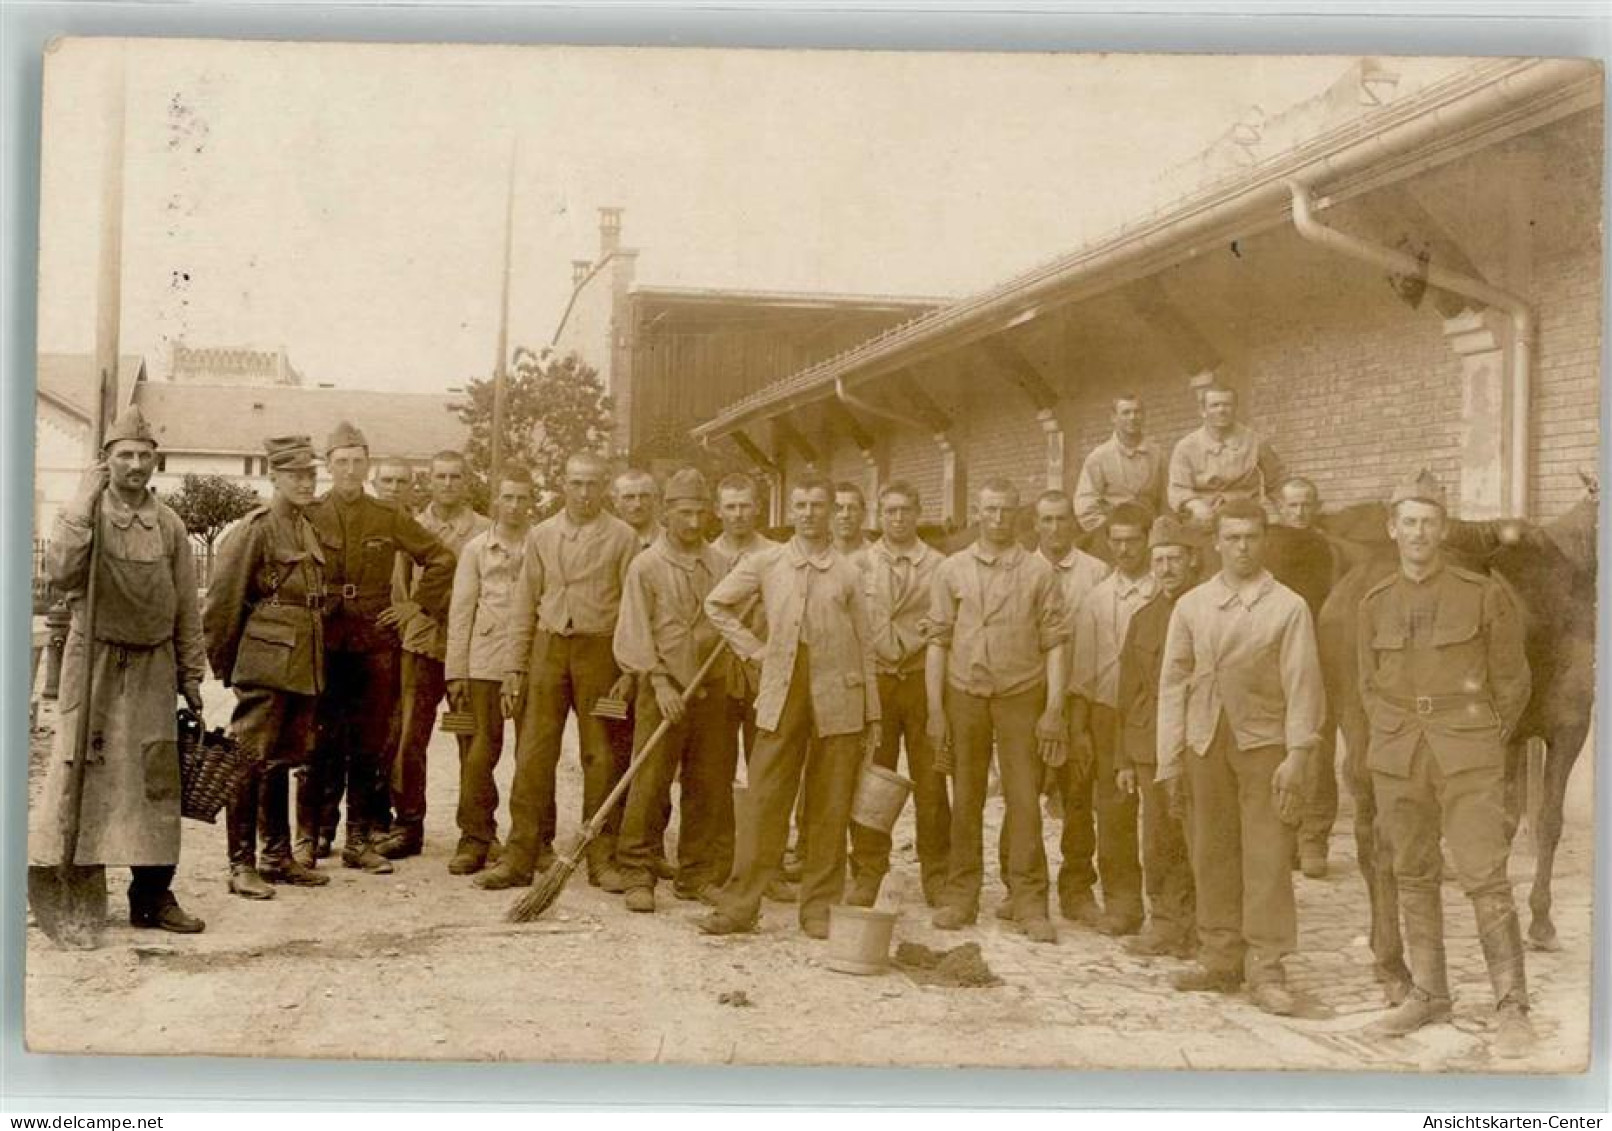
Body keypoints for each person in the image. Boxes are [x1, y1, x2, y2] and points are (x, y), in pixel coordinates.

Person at [1359, 470, 1534, 1059]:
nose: (1419, 533)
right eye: (1408, 522)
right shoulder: (1375, 603)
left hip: (1467, 753)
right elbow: (1369, 685)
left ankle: (1512, 1004)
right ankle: (1430, 991)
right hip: (1399, 751)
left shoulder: (1481, 594)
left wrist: (1480, 740)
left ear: (1443, 529)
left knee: (1484, 874)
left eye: (1430, 523)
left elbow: (1513, 684)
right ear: (1392, 529)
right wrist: (1392, 737)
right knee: (1411, 870)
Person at [29, 406, 207, 933]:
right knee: (84, 769)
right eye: (124, 455)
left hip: (153, 665)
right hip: (95, 662)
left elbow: (185, 608)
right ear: (106, 461)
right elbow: (61, 570)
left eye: (143, 456)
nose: (135, 464)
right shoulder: (88, 515)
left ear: (155, 462)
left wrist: (191, 674)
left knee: (154, 782)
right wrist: (83, 499)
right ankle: (77, 885)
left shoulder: (170, 524)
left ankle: (152, 896)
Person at [1156, 498, 1324, 1015]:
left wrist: (1298, 754)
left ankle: (1267, 965)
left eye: (1251, 537)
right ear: (1216, 544)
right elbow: (1173, 683)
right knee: (1211, 849)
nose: (1242, 547)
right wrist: (1170, 757)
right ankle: (1221, 956)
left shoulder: (1288, 606)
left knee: (1268, 855)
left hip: (1264, 745)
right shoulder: (1193, 605)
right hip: (1206, 741)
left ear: (1264, 541)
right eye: (1232, 538)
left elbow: (1304, 686)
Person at [697, 475, 881, 940]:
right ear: (790, 511)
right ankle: (740, 906)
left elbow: (865, 642)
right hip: (782, 691)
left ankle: (818, 907)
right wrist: (753, 650)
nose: (810, 513)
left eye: (819, 504)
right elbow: (717, 605)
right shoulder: (767, 562)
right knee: (763, 799)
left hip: (839, 694)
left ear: (829, 511)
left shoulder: (848, 572)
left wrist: (872, 712)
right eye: (801, 504)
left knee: (830, 801)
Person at [298, 422, 455, 876]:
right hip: (323, 641)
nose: (349, 470)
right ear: (328, 465)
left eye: (357, 461)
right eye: (341, 461)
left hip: (373, 643)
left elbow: (442, 558)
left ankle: (360, 840)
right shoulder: (309, 514)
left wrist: (414, 609)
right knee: (316, 745)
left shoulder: (386, 516)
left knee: (370, 745)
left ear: (367, 465)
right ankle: (309, 838)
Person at [478, 452, 639, 891]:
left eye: (592, 484)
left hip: (601, 653)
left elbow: (632, 609)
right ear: (563, 485)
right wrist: (514, 666)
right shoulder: (543, 534)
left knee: (601, 755)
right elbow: (524, 602)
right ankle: (521, 855)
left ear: (604, 486)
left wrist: (628, 668)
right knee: (533, 754)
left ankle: (600, 857)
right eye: (575, 483)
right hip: (549, 651)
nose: (584, 493)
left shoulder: (623, 537)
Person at [928, 478, 1069, 944]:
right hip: (964, 694)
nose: (997, 519)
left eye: (1006, 511)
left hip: (1021, 696)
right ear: (977, 512)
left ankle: (1029, 899)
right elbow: (938, 643)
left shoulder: (1038, 573)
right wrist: (936, 709)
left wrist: (1053, 708)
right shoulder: (951, 571)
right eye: (989, 510)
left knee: (1024, 798)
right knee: (965, 797)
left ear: (1018, 515)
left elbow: (1055, 645)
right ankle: (961, 895)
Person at [204, 435, 330, 899]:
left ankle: (276, 855)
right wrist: (227, 665)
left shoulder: (303, 525)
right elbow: (223, 603)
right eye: (296, 474)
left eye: (311, 474)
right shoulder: (255, 530)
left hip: (300, 659)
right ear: (272, 475)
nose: (305, 481)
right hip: (265, 661)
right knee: (248, 760)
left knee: (280, 758)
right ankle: (241, 865)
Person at [614, 469, 738, 912]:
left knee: (708, 784)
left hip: (711, 688)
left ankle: (697, 874)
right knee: (649, 783)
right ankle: (637, 871)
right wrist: (661, 682)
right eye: (684, 512)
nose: (692, 522)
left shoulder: (722, 565)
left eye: (700, 512)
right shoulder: (645, 565)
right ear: (666, 513)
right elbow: (634, 632)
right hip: (661, 690)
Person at [377, 450, 489, 860]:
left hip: (471, 652)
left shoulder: (484, 529)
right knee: (410, 739)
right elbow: (400, 585)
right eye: (440, 476)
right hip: (422, 645)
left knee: (472, 741)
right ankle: (408, 825)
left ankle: (475, 831)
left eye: (456, 476)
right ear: (430, 481)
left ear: (466, 481)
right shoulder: (413, 527)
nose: (448, 484)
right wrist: (411, 613)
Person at [848, 481, 951, 908]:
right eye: (889, 511)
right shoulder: (858, 564)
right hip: (877, 682)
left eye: (906, 510)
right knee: (872, 780)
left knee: (931, 779)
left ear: (918, 512)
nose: (897, 518)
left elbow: (948, 623)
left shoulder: (940, 565)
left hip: (921, 677)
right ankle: (868, 871)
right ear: (879, 515)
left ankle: (937, 874)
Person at [1066, 501, 1156, 936]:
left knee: (1163, 813)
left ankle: (1173, 905)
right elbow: (1083, 672)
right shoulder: (1097, 600)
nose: (1124, 550)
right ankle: (1122, 903)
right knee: (1114, 810)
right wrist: (1080, 726)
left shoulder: (1166, 592)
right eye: (1116, 542)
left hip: (1155, 715)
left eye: (1133, 541)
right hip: (1107, 713)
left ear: (1148, 539)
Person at [1113, 514, 1200, 958]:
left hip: (1198, 741)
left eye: (1175, 559)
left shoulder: (1207, 610)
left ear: (1192, 561)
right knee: (1159, 835)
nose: (1166, 568)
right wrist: (1124, 759)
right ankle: (1165, 923)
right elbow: (1127, 692)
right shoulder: (1143, 620)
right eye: (1159, 560)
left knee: (1200, 834)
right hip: (1150, 744)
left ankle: (1203, 925)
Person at [442, 466, 535, 875]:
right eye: (508, 497)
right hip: (484, 659)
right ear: (495, 500)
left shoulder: (542, 544)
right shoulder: (477, 549)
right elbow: (461, 611)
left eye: (523, 498)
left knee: (534, 753)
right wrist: (456, 670)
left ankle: (535, 838)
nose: (514, 506)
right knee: (480, 752)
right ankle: (475, 836)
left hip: (532, 660)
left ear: (532, 502)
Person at [1032, 489, 1109, 927]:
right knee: (1025, 793)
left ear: (1074, 525)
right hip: (1029, 696)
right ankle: (1022, 886)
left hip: (1080, 695)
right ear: (1036, 526)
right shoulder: (1021, 571)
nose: (1055, 528)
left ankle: (1077, 888)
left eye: (1062, 519)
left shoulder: (1096, 573)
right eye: (1047, 520)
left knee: (1079, 795)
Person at [1272, 475, 1344, 878]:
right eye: (1292, 506)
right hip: (1276, 658)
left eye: (1306, 505)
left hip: (1319, 656)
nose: (1299, 513)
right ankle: (1284, 834)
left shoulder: (1329, 551)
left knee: (1317, 745)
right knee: (1279, 747)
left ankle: (1314, 837)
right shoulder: (1268, 548)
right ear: (1280, 509)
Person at [711, 472, 776, 767]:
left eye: (745, 506)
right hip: (715, 672)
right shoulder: (705, 556)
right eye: (731, 506)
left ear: (758, 508)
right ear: (718, 510)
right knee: (715, 766)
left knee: (763, 762)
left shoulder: (778, 556)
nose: (738, 514)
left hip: (765, 672)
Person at [1167, 385, 1285, 524]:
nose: (1221, 410)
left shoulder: (1255, 442)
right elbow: (1179, 488)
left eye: (1227, 405)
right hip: (1204, 518)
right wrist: (1195, 505)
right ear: (1203, 411)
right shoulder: (1186, 447)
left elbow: (1278, 482)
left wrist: (1283, 512)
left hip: (1246, 517)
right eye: (1215, 405)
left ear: (1235, 408)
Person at [1073, 394, 1166, 533]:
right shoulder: (1099, 457)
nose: (1132, 417)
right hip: (1113, 536)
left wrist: (1162, 529)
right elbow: (1085, 505)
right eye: (1126, 412)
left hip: (1150, 533)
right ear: (1113, 417)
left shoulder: (1157, 454)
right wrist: (1108, 533)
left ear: (1144, 416)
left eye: (1137, 412)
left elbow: (1166, 498)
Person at [612, 468, 661, 550]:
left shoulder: (671, 540)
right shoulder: (604, 541)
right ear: (615, 501)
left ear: (655, 499)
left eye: (644, 496)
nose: (637, 505)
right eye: (629, 497)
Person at [831, 482, 872, 570]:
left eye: (852, 508)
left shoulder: (877, 557)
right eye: (838, 508)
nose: (845, 515)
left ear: (864, 514)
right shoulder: (816, 556)